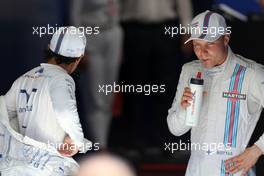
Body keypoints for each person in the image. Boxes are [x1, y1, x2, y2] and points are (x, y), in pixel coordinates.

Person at [167, 10, 264, 175]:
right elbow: (175, 129)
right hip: (195, 170)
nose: (201, 52)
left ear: (226, 39)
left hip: (234, 171)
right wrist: (185, 109)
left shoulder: (251, 73)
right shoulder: (190, 70)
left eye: (209, 44)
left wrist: (256, 150)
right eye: (196, 45)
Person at [4, 26, 90, 158]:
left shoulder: (24, 78)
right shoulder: (62, 78)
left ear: (49, 47)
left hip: (22, 160)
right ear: (79, 58)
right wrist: (77, 141)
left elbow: (4, 112)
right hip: (50, 162)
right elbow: (65, 112)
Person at [71, 0, 123, 150]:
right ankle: (100, 145)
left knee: (108, 95)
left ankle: (103, 141)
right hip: (91, 35)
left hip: (113, 33)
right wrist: (80, 47)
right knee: (95, 96)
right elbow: (75, 16)